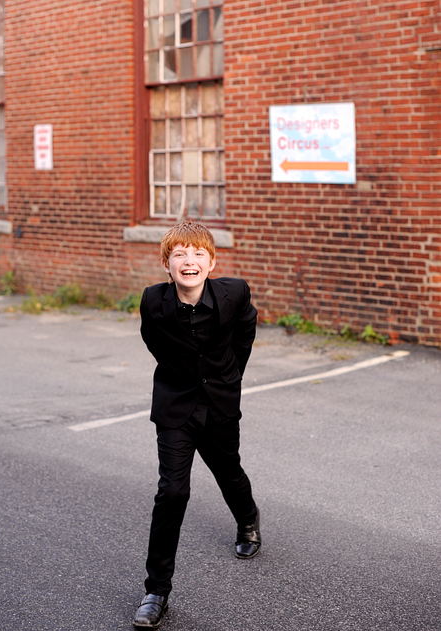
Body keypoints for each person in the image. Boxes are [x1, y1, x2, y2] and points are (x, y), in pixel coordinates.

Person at [133, 221, 260, 628]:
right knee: (172, 491)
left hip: (220, 402)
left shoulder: (235, 292)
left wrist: (231, 376)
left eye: (198, 254)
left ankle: (247, 520)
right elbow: (154, 343)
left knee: (228, 471)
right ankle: (156, 591)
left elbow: (246, 331)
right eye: (179, 255)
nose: (189, 261)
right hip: (176, 406)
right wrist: (181, 376)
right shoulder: (153, 302)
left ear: (212, 261)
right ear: (167, 265)